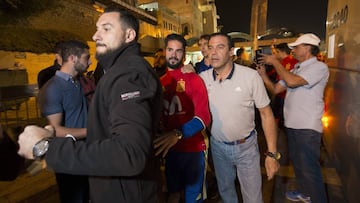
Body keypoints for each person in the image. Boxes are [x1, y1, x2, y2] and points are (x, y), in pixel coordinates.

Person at [18, 7, 162, 203]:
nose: (95, 35)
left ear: (129, 35)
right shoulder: (118, 71)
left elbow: (129, 153)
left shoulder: (128, 75)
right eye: (96, 29)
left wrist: (46, 149)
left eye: (106, 28)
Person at [199, 33, 279, 203]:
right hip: (218, 148)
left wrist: (271, 154)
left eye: (220, 47)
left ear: (230, 52)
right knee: (227, 194)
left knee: (253, 198)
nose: (213, 52)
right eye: (210, 47)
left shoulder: (250, 77)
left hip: (246, 149)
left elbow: (266, 114)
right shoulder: (202, 80)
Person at [256, 33, 329, 203]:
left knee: (310, 167)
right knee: (298, 163)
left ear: (308, 48)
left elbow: (293, 82)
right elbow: (275, 89)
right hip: (293, 125)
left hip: (307, 126)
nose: (293, 50)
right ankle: (305, 192)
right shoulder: (297, 68)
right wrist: (263, 75)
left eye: (296, 47)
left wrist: (275, 62)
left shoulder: (319, 67)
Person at [154, 33, 211, 203]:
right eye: (170, 49)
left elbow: (204, 116)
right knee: (173, 193)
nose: (174, 54)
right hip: (170, 150)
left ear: (184, 54)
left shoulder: (193, 79)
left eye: (178, 51)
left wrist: (178, 134)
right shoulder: (158, 83)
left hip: (194, 149)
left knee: (193, 198)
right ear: (165, 52)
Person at [38, 40, 91, 203]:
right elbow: (54, 130)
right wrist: (89, 131)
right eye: (86, 58)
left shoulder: (76, 82)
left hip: (84, 152)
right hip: (68, 158)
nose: (90, 62)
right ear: (73, 58)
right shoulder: (54, 88)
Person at [268, 43, 298, 127]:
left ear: (281, 52)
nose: (275, 55)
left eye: (276, 52)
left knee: (281, 120)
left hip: (284, 96)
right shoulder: (282, 62)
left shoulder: (291, 62)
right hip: (280, 94)